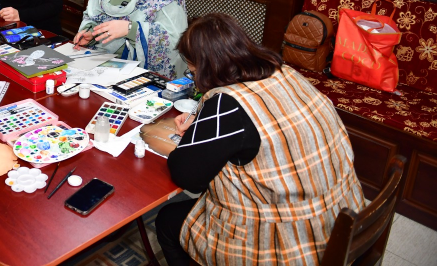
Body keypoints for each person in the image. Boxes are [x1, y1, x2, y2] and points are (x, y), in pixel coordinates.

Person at [154, 13, 364, 265]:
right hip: (341, 216)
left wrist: (197, 135)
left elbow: (187, 176)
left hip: (289, 241)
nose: (196, 80)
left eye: (193, 71)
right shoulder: (283, 72)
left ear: (207, 68)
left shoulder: (227, 103)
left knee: (168, 219)